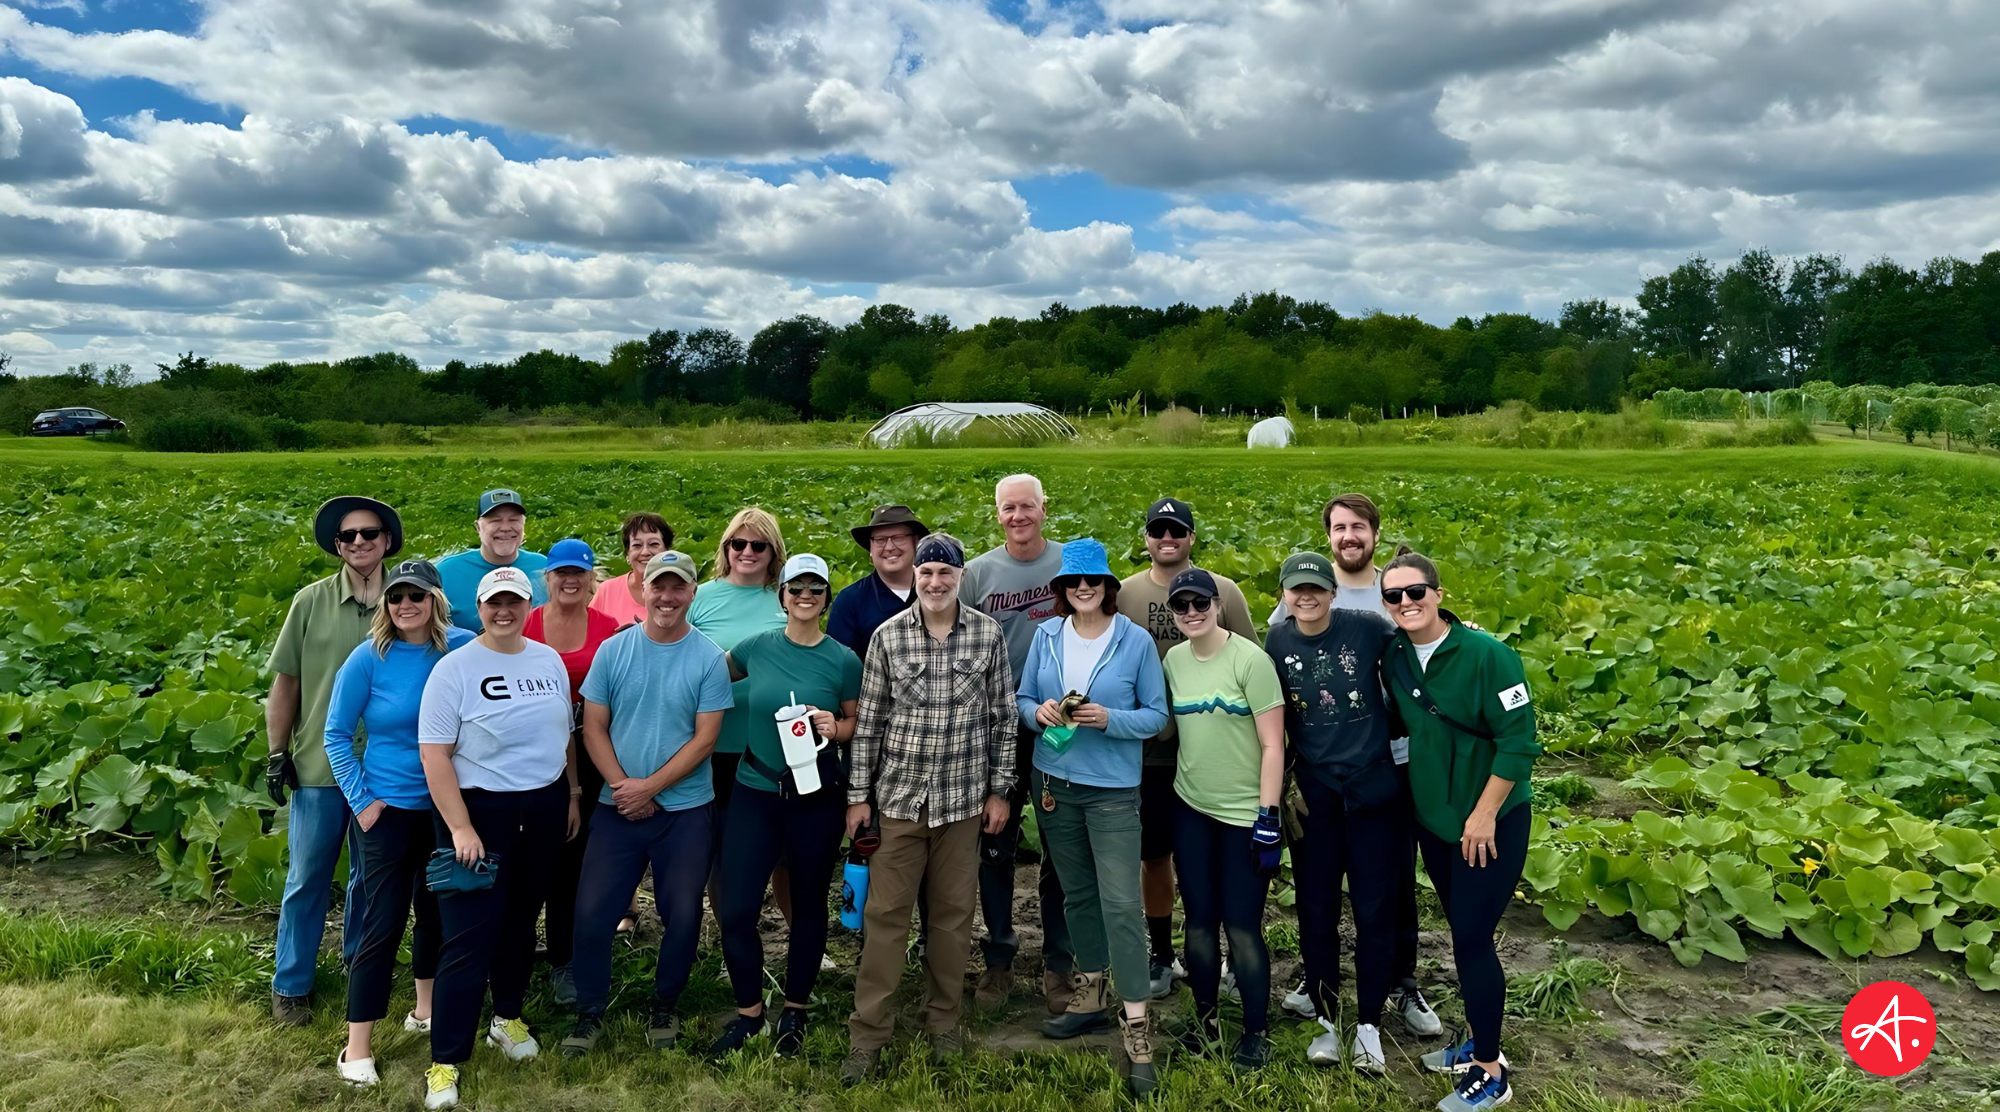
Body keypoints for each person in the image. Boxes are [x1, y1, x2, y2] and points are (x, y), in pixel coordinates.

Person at [840, 533, 1015, 1087]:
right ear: (914, 578)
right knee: (886, 921)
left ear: (961, 577)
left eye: (945, 573)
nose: (935, 583)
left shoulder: (986, 634)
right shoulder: (888, 638)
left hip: (963, 803)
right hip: (899, 802)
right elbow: (868, 724)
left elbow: (1003, 718)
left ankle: (944, 1022)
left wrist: (1000, 790)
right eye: (926, 574)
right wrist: (858, 798)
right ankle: (868, 1034)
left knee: (952, 921)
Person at [1270, 493, 1442, 1035]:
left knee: (1389, 890)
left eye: (1358, 527)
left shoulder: (1389, 601)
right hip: (1319, 780)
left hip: (1384, 767)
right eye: (1339, 527)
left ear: (1373, 533)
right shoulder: (1284, 626)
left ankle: (1400, 985)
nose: (1349, 536)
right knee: (1318, 896)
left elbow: (1424, 646)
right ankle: (1320, 988)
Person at [1381, 548, 1539, 1112]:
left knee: (1472, 939)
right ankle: (1477, 1040)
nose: (1406, 603)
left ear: (1439, 593)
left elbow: (1520, 742)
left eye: (1415, 592)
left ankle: (1492, 1069)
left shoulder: (1489, 656)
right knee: (1460, 931)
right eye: (1393, 596)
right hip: (1435, 821)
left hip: (1490, 823)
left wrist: (1484, 812)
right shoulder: (1393, 657)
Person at [561, 550, 733, 1059]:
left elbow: (705, 740)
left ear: (692, 594)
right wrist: (622, 788)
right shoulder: (615, 652)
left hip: (684, 811)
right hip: (617, 808)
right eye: (659, 586)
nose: (667, 597)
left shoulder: (707, 657)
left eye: (678, 587)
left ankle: (666, 1004)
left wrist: (650, 787)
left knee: (681, 912)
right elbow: (592, 726)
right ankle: (589, 1010)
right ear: (644, 588)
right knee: (592, 912)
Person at [416, 566, 573, 1111]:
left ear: (528, 604)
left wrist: (570, 792)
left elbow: (564, 733)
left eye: (513, 601)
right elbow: (434, 754)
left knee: (520, 921)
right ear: (477, 608)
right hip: (480, 811)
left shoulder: (547, 660)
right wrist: (460, 826)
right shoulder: (455, 669)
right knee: (467, 937)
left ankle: (505, 1018)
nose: (503, 611)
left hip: (545, 805)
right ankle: (444, 1062)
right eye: (493, 603)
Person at [1015, 538, 1169, 1097]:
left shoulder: (1136, 642)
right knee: (1076, 893)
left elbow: (1156, 716)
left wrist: (1110, 719)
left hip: (1112, 790)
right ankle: (1091, 994)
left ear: (1108, 587)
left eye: (1095, 581)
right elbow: (1021, 698)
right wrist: (1038, 712)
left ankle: (1137, 1027)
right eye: (1074, 582)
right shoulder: (1046, 637)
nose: (1084, 589)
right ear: (1062, 589)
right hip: (1055, 785)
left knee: (1123, 904)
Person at [325, 559, 473, 1087]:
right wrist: (362, 801)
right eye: (396, 597)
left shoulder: (461, 648)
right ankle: (356, 1045)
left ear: (436, 598)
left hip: (446, 808)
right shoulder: (367, 659)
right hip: (386, 810)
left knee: (435, 913)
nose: (405, 606)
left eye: (416, 595)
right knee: (382, 923)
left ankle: (424, 1010)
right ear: (384, 605)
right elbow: (336, 735)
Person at [710, 554, 863, 1060]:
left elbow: (856, 725)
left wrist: (832, 727)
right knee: (736, 908)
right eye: (796, 588)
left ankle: (795, 1009)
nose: (805, 596)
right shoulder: (755, 648)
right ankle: (749, 1013)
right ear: (782, 595)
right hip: (755, 789)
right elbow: (712, 676)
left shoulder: (842, 659)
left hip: (815, 795)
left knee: (808, 902)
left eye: (815, 589)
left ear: (826, 598)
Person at [1265, 552, 1405, 1072]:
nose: (1307, 597)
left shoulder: (1367, 628)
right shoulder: (1276, 641)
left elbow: (1418, 644)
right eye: (1296, 589)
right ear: (1284, 594)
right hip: (1315, 794)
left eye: (1316, 589)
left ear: (1333, 591)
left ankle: (1369, 1023)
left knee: (1373, 909)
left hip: (1372, 789)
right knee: (1316, 910)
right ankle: (1326, 1020)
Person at [1114, 496, 1258, 1001]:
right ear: (1147, 537)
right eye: (1158, 530)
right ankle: (1162, 954)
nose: (1167, 538)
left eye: (1177, 530)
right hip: (1149, 751)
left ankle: (1238, 957)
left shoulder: (1224, 591)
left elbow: (1252, 665)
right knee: (1154, 856)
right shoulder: (1125, 593)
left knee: (1217, 858)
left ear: (1192, 537)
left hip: (1214, 750)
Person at [266, 494, 400, 1026]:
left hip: (388, 769)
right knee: (307, 877)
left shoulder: (411, 598)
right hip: (320, 766)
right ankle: (291, 982)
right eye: (349, 537)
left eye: (370, 533)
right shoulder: (309, 602)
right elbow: (286, 686)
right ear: (337, 546)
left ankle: (359, 969)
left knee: (371, 879)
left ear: (387, 539)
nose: (360, 543)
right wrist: (277, 754)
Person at [1161, 568, 1285, 1070]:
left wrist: (1268, 815)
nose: (1192, 613)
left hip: (1243, 816)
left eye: (1200, 603)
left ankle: (1255, 1031)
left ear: (1217, 604)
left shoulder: (1250, 660)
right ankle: (1206, 1020)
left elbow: (1274, 743)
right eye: (1181, 606)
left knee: (1242, 926)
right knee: (1197, 923)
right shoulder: (1173, 659)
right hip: (1191, 807)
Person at [957, 474, 1070, 1013]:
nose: (1018, 515)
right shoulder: (977, 573)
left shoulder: (1073, 565)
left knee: (1061, 845)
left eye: (1027, 506)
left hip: (1059, 725)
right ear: (996, 514)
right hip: (995, 726)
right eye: (1008, 508)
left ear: (1045, 508)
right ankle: (999, 957)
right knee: (994, 843)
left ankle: (1060, 964)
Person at [523, 538, 622, 1004]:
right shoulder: (526, 623)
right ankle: (516, 953)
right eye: (560, 572)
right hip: (534, 752)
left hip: (593, 748)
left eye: (578, 573)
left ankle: (565, 958)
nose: (569, 580)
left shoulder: (609, 628)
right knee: (526, 858)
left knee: (574, 862)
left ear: (590, 579)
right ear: (547, 579)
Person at [687, 508, 787, 824]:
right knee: (708, 845)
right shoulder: (698, 597)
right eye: (738, 543)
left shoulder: (787, 598)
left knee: (764, 845)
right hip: (709, 743)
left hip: (770, 743)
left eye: (759, 545)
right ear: (726, 547)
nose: (747, 552)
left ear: (773, 551)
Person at [437, 489, 549, 632]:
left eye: (514, 520)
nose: (505, 528)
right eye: (495, 521)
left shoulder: (544, 567)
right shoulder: (445, 573)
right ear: (478, 527)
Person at [826, 504, 926, 655]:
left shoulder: (936, 592)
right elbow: (837, 665)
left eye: (898, 538)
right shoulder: (850, 602)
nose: (889, 547)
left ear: (917, 542)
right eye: (880, 540)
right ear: (871, 549)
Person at [591, 513, 673, 628]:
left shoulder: (680, 593)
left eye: (654, 544)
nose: (645, 552)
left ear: (667, 551)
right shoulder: (607, 591)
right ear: (627, 555)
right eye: (637, 545)